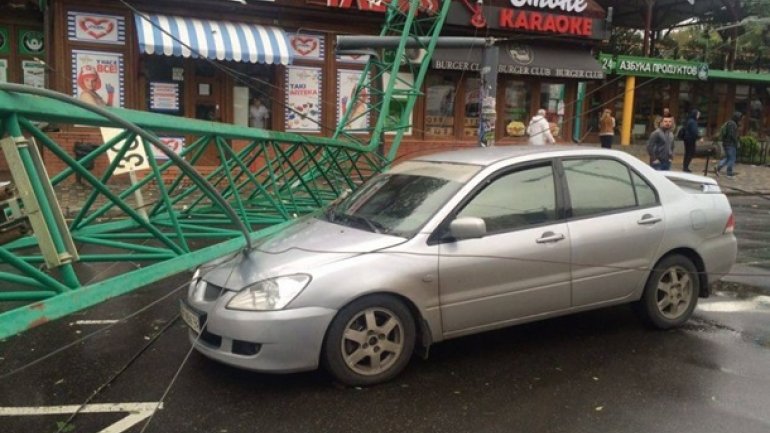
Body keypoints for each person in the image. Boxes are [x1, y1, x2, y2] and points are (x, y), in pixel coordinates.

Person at [715, 111, 742, 179]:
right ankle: (729, 173)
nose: (740, 120)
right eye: (740, 118)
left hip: (727, 143)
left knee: (728, 158)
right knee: (732, 158)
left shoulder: (729, 123)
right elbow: (732, 135)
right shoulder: (732, 124)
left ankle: (718, 167)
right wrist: (736, 142)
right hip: (730, 144)